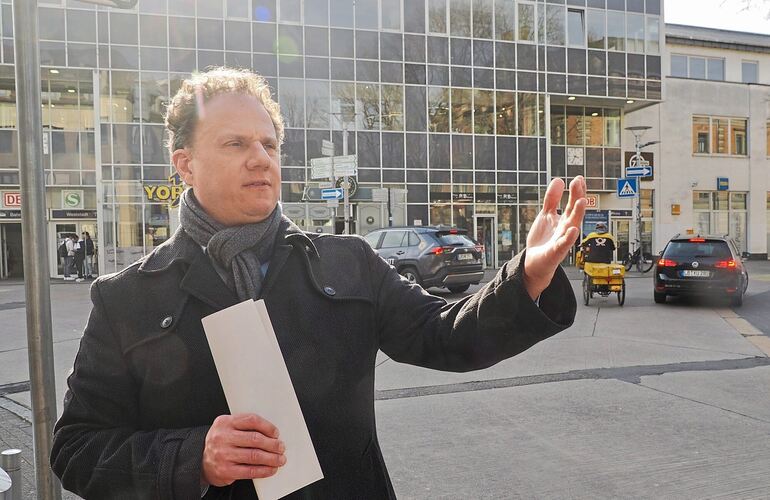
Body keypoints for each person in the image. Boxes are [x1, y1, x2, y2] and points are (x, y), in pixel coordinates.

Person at [51, 68, 587, 499]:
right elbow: (76, 449)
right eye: (236, 143)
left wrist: (526, 276)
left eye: (269, 143)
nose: (260, 158)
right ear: (184, 164)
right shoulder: (126, 296)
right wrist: (193, 458)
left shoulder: (346, 262)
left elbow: (448, 335)